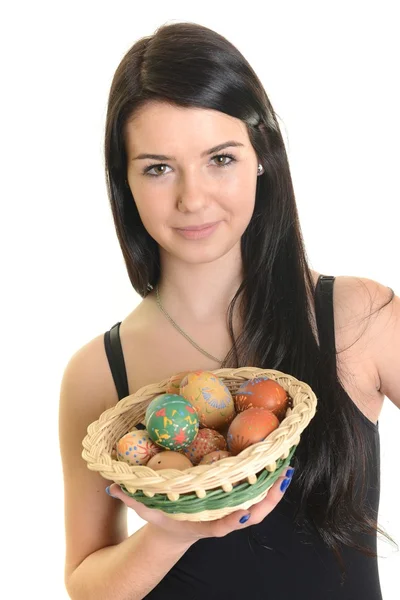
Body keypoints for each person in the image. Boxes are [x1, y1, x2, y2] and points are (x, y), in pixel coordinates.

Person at [58, 21, 400, 600]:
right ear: (125, 182)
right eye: (158, 167)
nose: (193, 197)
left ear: (261, 157)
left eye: (220, 158)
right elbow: (87, 585)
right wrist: (173, 535)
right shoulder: (97, 372)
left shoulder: (355, 315)